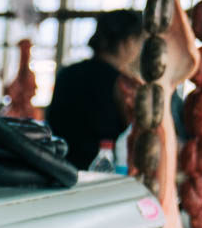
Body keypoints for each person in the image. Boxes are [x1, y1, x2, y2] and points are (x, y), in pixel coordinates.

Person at [45, 10, 144, 169]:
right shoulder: (122, 84)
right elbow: (133, 134)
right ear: (129, 42)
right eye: (139, 42)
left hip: (57, 166)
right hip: (100, 170)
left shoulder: (67, 73)